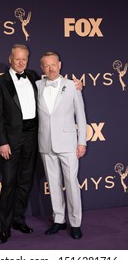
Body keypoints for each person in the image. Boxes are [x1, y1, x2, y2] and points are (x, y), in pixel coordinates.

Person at [0, 44, 83, 244]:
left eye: (24, 59)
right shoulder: (1, 83)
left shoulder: (34, 77)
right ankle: (5, 228)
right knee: (8, 184)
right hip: (13, 140)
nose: (21, 62)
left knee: (25, 183)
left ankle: (19, 220)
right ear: (10, 59)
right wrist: (2, 142)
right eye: (17, 59)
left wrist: (77, 85)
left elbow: (65, 93)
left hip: (34, 137)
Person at [36, 51, 87, 239]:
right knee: (53, 184)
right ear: (42, 68)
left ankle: (75, 223)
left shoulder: (72, 86)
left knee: (72, 184)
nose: (50, 69)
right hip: (45, 143)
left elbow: (80, 116)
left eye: (53, 64)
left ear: (60, 64)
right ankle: (58, 219)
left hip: (68, 144)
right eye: (46, 66)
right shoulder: (37, 86)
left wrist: (82, 142)